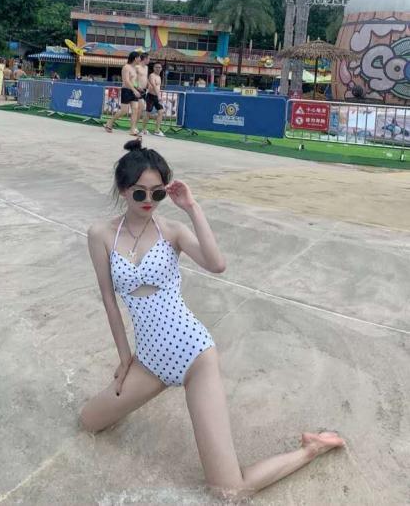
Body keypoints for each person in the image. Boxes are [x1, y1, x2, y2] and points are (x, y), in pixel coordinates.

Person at [80, 139, 345, 499]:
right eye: (140, 192)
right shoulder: (100, 235)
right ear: (123, 189)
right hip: (149, 362)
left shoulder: (171, 232)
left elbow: (217, 264)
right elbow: (109, 301)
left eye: (158, 193)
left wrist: (192, 208)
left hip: (193, 356)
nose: (148, 201)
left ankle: (311, 448)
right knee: (88, 422)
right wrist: (125, 359)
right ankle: (131, 385)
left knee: (228, 489)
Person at [104, 51, 142, 136]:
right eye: (139, 57)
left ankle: (132, 130)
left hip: (133, 90)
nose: (140, 59)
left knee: (135, 110)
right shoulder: (126, 67)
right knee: (124, 111)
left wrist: (138, 87)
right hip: (127, 90)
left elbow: (133, 81)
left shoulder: (135, 68)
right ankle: (109, 122)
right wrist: (134, 90)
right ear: (135, 58)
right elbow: (126, 81)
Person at [141, 61, 165, 136]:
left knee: (161, 111)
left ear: (161, 68)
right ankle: (143, 130)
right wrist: (159, 96)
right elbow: (154, 86)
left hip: (156, 96)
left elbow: (158, 87)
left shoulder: (159, 77)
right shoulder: (152, 75)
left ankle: (157, 130)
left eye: (159, 67)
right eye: (156, 67)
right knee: (148, 113)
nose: (158, 69)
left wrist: (158, 96)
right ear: (154, 68)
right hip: (150, 96)